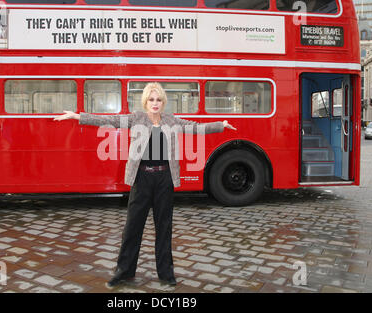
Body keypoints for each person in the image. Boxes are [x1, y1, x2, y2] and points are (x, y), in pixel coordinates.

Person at [54, 82, 236, 288]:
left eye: (158, 100)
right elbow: (109, 120)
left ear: (163, 102)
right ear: (145, 101)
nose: (155, 103)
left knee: (164, 228)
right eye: (151, 99)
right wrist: (77, 116)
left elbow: (195, 127)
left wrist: (220, 124)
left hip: (164, 179)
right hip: (141, 179)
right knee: (132, 227)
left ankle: (166, 273)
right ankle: (124, 272)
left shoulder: (171, 120)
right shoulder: (136, 118)